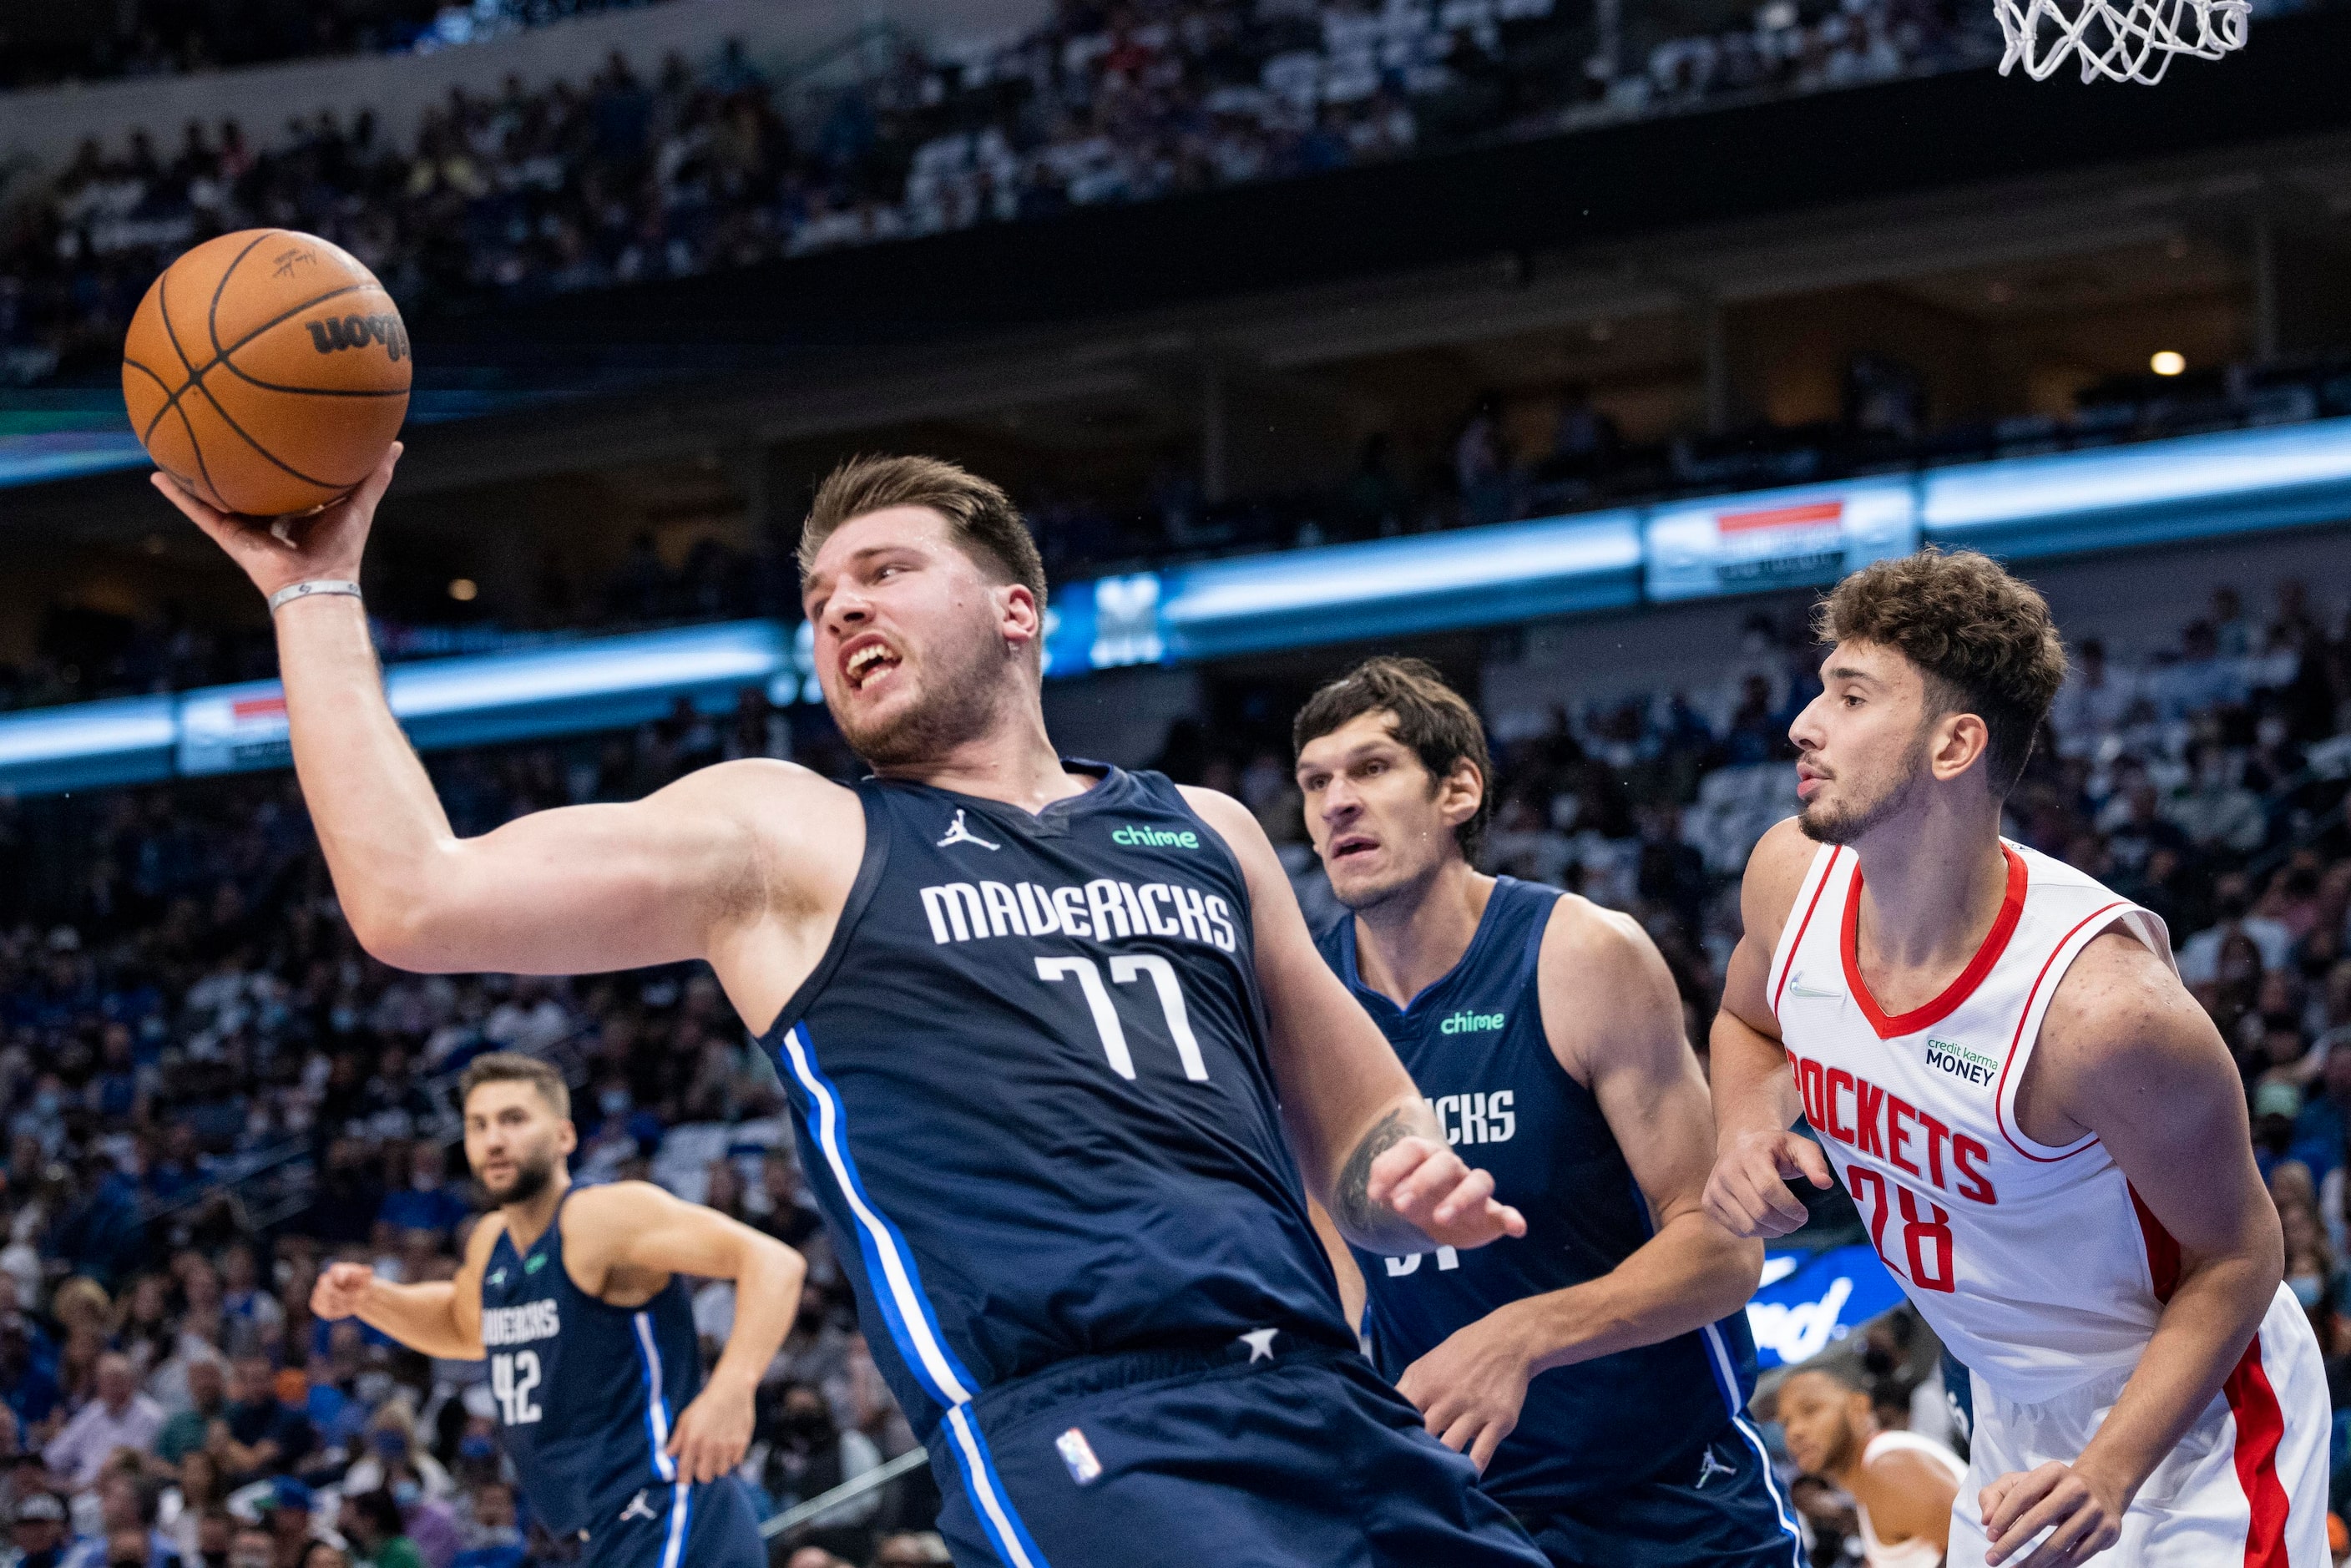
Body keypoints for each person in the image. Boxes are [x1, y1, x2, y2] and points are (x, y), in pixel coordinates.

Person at [156, 448, 1545, 1567]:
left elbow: (1362, 1136)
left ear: (1017, 610)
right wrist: (315, 595)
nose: (841, 610)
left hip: (1330, 1393)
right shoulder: (790, 839)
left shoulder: (1207, 828)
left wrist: (1394, 1172)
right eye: (820, 597)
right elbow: (414, 898)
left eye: (886, 572)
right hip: (1090, 1427)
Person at [1702, 549, 2328, 1566]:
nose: (1801, 724)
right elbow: (1748, 1023)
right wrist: (1740, 1130)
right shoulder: (1787, 880)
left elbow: (2241, 1256)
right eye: (1821, 687)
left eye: (1850, 696)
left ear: (1954, 745)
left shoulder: (2101, 1011)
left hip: (2188, 1416)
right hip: (2005, 1405)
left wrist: (2109, 1471)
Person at [1292, 659, 1796, 1568]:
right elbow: (1338, 1267)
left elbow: (1722, 1249)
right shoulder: (1306, 1003)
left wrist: (1520, 1338)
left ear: (1457, 790)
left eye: (1369, 770)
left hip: (1666, 1498)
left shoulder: (1578, 956)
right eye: (1314, 782)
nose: (1336, 803)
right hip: (1461, 1509)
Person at [309, 1056, 796, 1568]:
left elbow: (772, 1261)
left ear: (564, 1136)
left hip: (667, 1505)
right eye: (479, 1125)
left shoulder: (601, 1218)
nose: (494, 1139)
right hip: (603, 1531)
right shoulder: (491, 1241)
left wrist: (732, 1388)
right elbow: (463, 1325)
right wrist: (369, 1299)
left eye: (514, 1119)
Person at [1773, 1363, 1960, 1567]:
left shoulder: (1889, 1470)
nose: (1794, 1432)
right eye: (1786, 1423)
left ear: (1858, 1406)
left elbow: (1984, 1545)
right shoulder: (1871, 1479)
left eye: (1810, 1410)